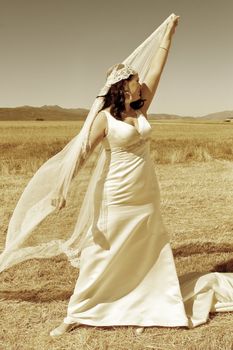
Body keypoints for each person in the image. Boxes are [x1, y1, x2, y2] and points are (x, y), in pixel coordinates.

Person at [50, 15, 182, 337]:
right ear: (123, 85)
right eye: (136, 80)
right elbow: (81, 155)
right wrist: (63, 187)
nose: (141, 83)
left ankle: (146, 307)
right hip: (117, 194)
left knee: (145, 247)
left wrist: (168, 35)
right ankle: (77, 312)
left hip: (146, 191)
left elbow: (157, 69)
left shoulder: (141, 108)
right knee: (102, 251)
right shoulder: (104, 120)